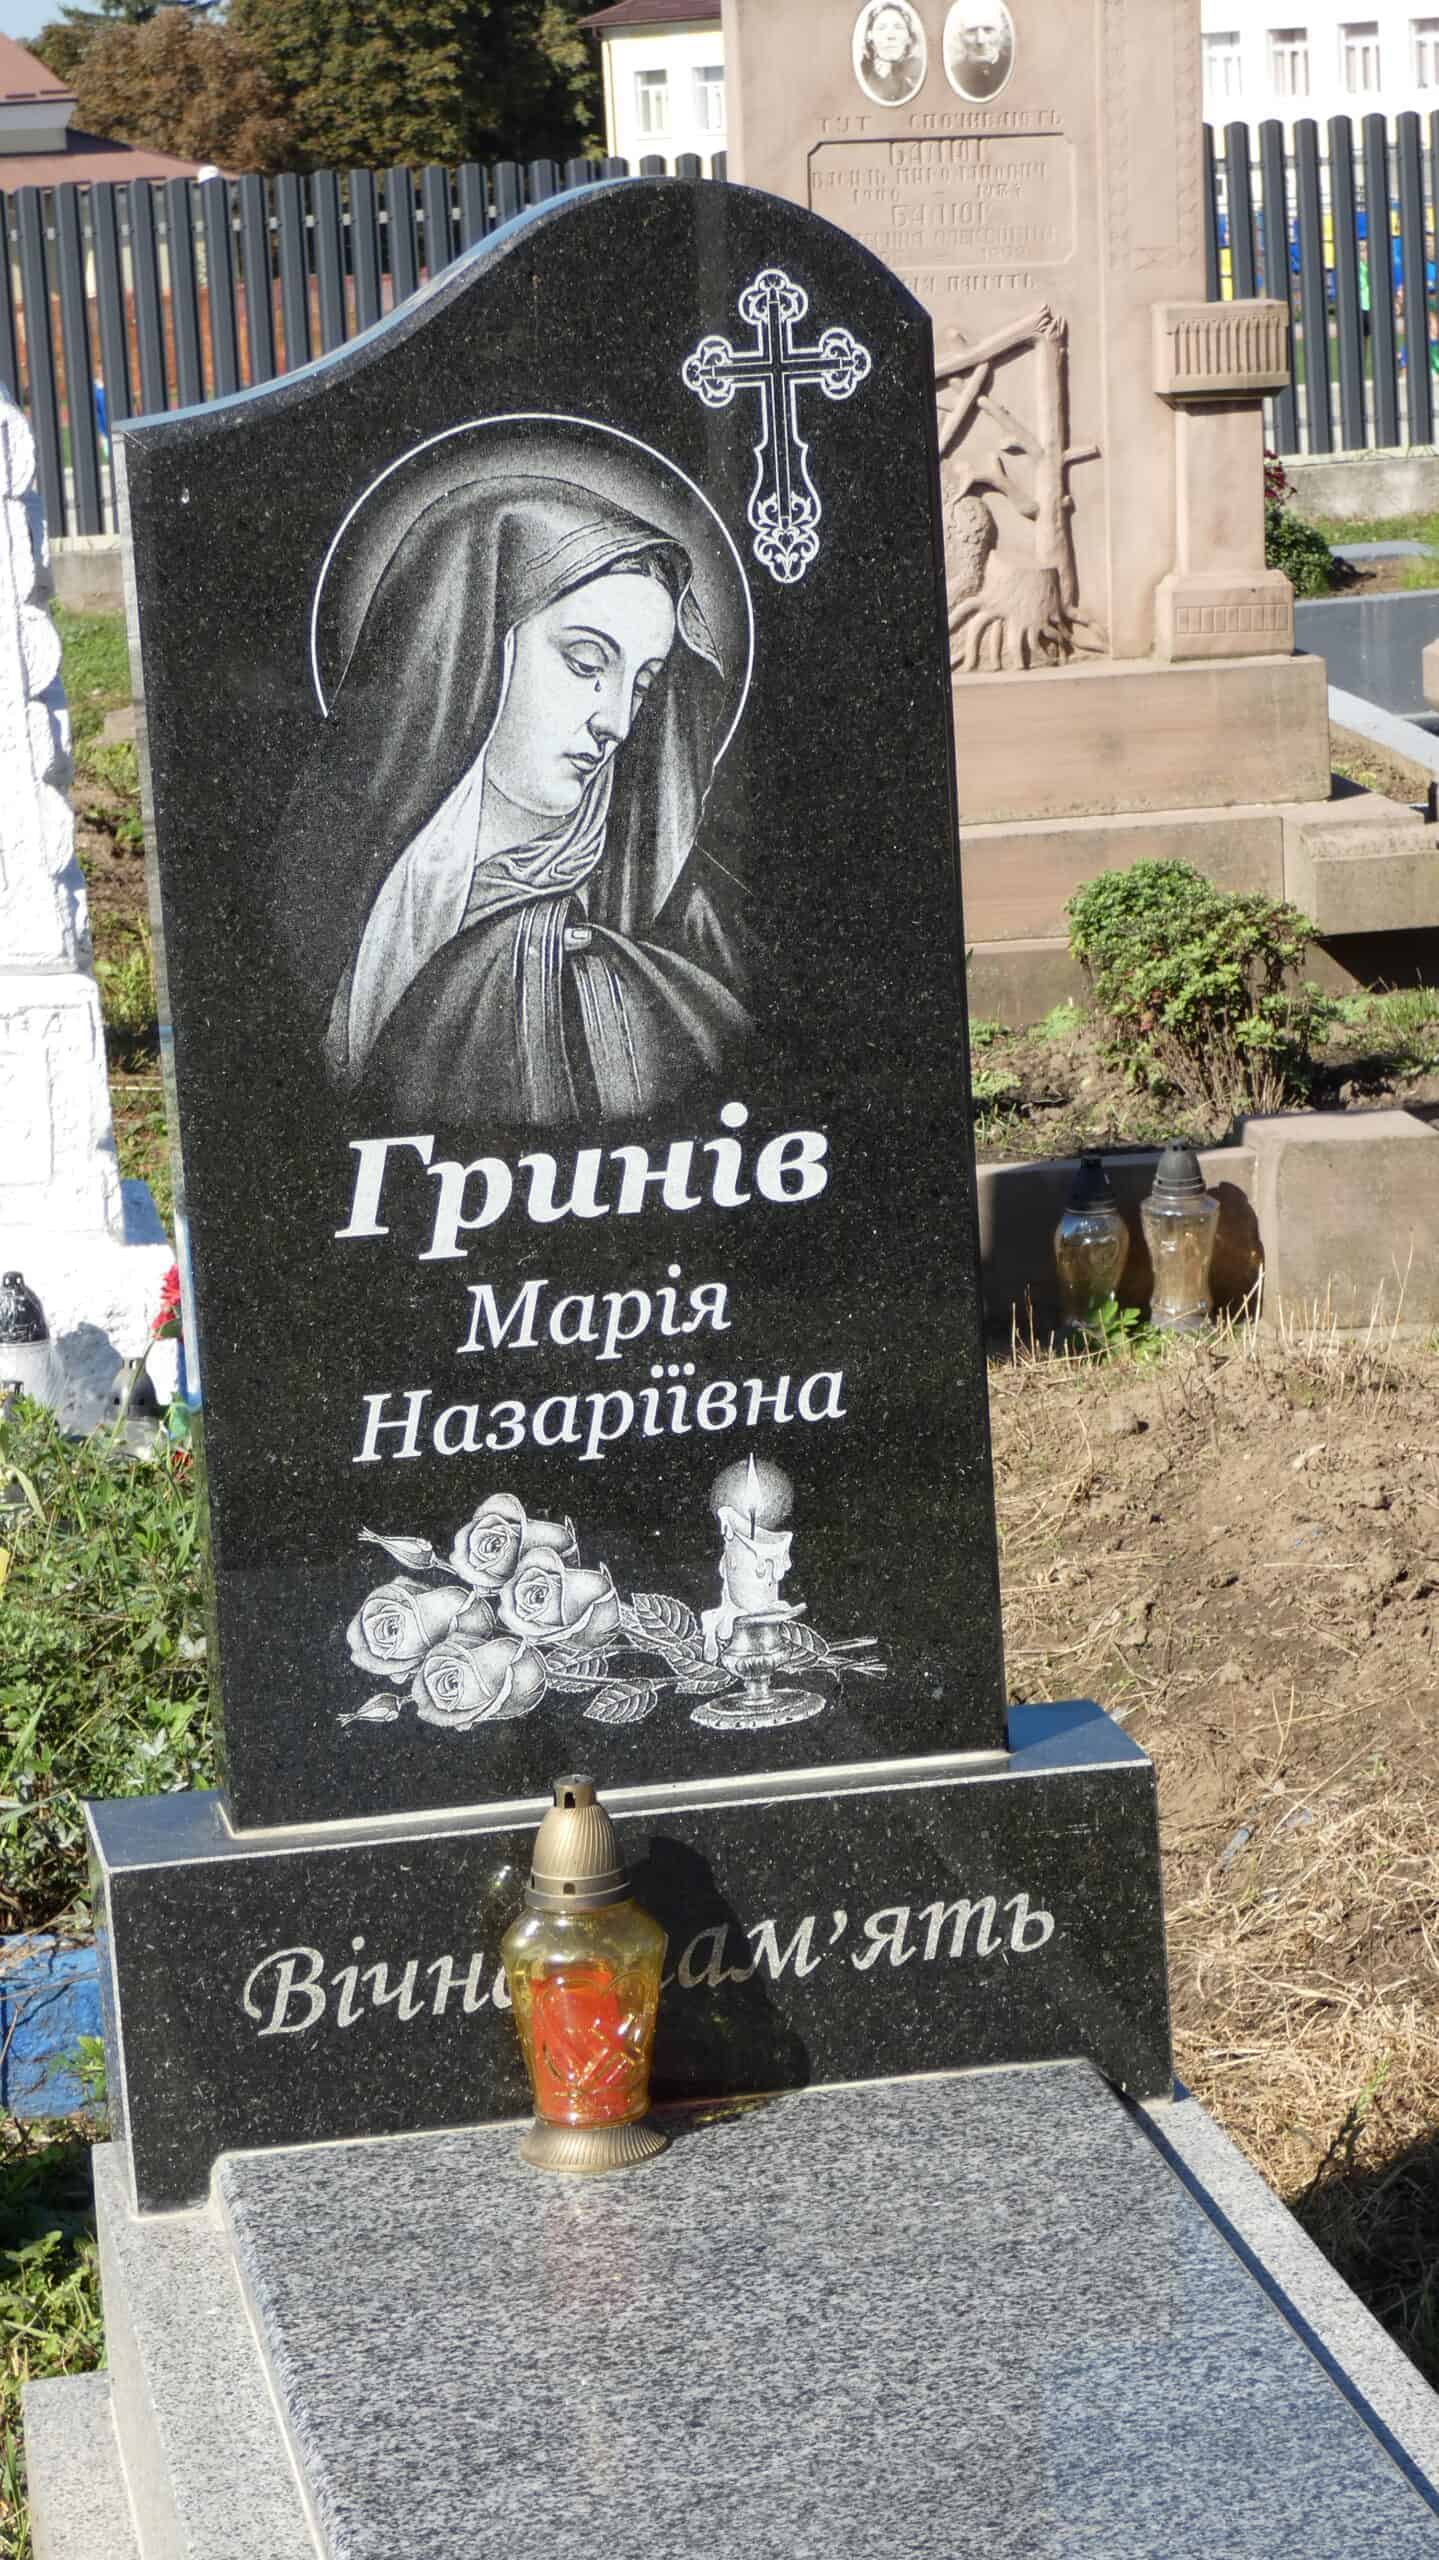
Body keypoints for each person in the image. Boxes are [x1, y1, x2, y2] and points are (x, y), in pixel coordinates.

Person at [271, 469, 754, 1128]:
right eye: (586, 664)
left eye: (641, 686)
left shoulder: (684, 920)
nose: (616, 721)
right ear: (470, 651)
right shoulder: (324, 895)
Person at [855, 2, 925, 105]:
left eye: (898, 27)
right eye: (881, 28)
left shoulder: (917, 74)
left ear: (909, 38)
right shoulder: (862, 74)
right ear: (870, 36)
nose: (890, 36)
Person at [944, 2, 1014, 100]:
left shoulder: (1012, 70)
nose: (980, 40)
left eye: (988, 30)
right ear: (961, 36)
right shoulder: (955, 74)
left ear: (1001, 35)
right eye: (971, 31)